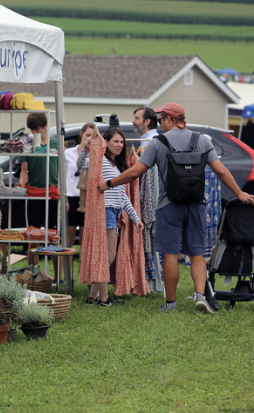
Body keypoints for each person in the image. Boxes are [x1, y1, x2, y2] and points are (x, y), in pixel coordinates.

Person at [96, 102, 254, 314]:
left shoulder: (158, 143)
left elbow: (135, 173)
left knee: (170, 255)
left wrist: (108, 184)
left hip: (169, 206)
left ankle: (171, 303)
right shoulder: (201, 141)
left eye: (161, 120)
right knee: (197, 254)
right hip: (197, 204)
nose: (160, 124)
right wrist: (240, 193)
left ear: (170, 119)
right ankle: (200, 295)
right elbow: (222, 171)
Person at [78, 127, 144, 306]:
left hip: (114, 211)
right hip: (104, 210)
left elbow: (123, 196)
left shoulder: (117, 166)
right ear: (105, 142)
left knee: (107, 255)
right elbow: (81, 164)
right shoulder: (99, 159)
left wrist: (135, 218)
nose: (120, 145)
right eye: (115, 141)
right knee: (108, 255)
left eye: (122, 142)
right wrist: (86, 148)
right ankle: (104, 299)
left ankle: (92, 298)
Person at [16, 112, 61, 280]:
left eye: (37, 129)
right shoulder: (26, 144)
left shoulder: (55, 143)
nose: (34, 132)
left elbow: (61, 169)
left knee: (54, 238)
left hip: (52, 195)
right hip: (34, 194)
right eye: (31, 129)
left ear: (45, 127)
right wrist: (22, 183)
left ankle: (58, 278)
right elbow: (24, 170)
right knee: (33, 237)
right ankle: (32, 276)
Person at [64, 122, 96, 248]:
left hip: (86, 199)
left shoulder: (95, 155)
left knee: (85, 242)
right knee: (67, 242)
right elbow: (62, 175)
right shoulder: (68, 153)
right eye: (87, 135)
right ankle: (66, 268)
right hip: (70, 198)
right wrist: (64, 199)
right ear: (81, 134)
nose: (89, 138)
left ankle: (83, 268)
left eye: (93, 136)